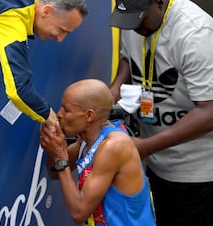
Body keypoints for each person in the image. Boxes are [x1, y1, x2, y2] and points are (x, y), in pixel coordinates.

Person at [109, 0, 213, 225]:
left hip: (198, 176)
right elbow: (128, 57)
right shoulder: (137, 17)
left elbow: (209, 112)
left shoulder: (196, 33)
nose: (135, 28)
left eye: (139, 20)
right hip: (157, 165)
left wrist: (146, 146)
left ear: (159, 2)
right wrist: (114, 89)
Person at [0, 0, 88, 131]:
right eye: (61, 30)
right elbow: (19, 90)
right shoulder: (14, 15)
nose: (60, 39)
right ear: (47, 11)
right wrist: (50, 117)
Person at [40, 79, 156, 226]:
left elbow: (79, 213)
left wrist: (58, 153)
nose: (59, 114)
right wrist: (54, 147)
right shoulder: (86, 141)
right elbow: (55, 172)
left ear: (89, 116)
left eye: (66, 110)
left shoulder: (113, 146)